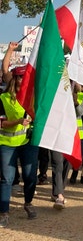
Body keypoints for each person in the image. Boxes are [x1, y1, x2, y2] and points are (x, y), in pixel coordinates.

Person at [0, 66, 38, 227]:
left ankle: (28, 203)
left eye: (26, 78)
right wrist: (17, 121)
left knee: (30, 176)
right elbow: (2, 123)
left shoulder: (33, 97)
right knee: (7, 179)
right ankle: (4, 212)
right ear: (15, 79)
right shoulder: (3, 98)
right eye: (21, 78)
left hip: (28, 143)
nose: (23, 81)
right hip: (7, 144)